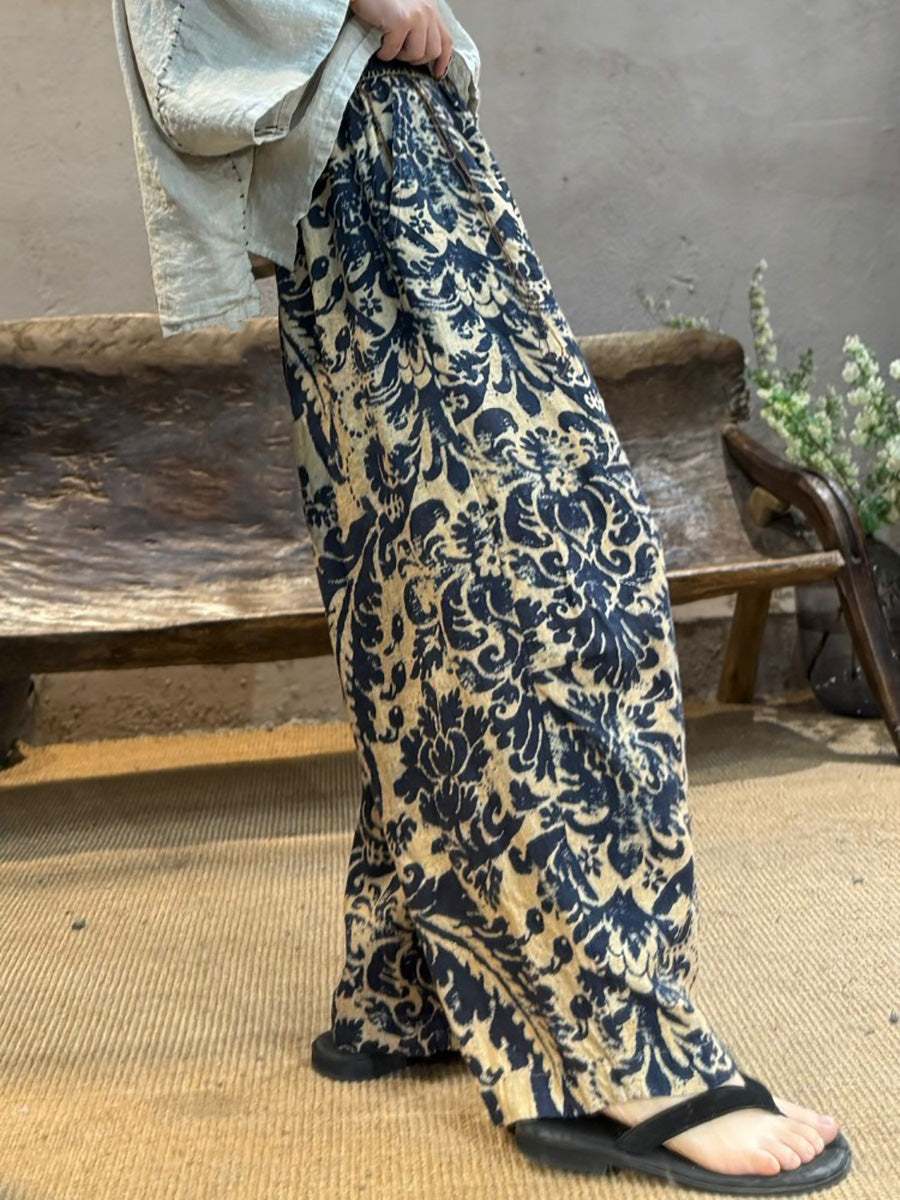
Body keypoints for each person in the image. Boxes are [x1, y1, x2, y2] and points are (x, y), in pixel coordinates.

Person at [114, 0, 851, 1191]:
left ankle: (403, 984)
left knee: (421, 586)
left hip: (382, 122)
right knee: (547, 579)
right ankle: (624, 1048)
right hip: (362, 129)